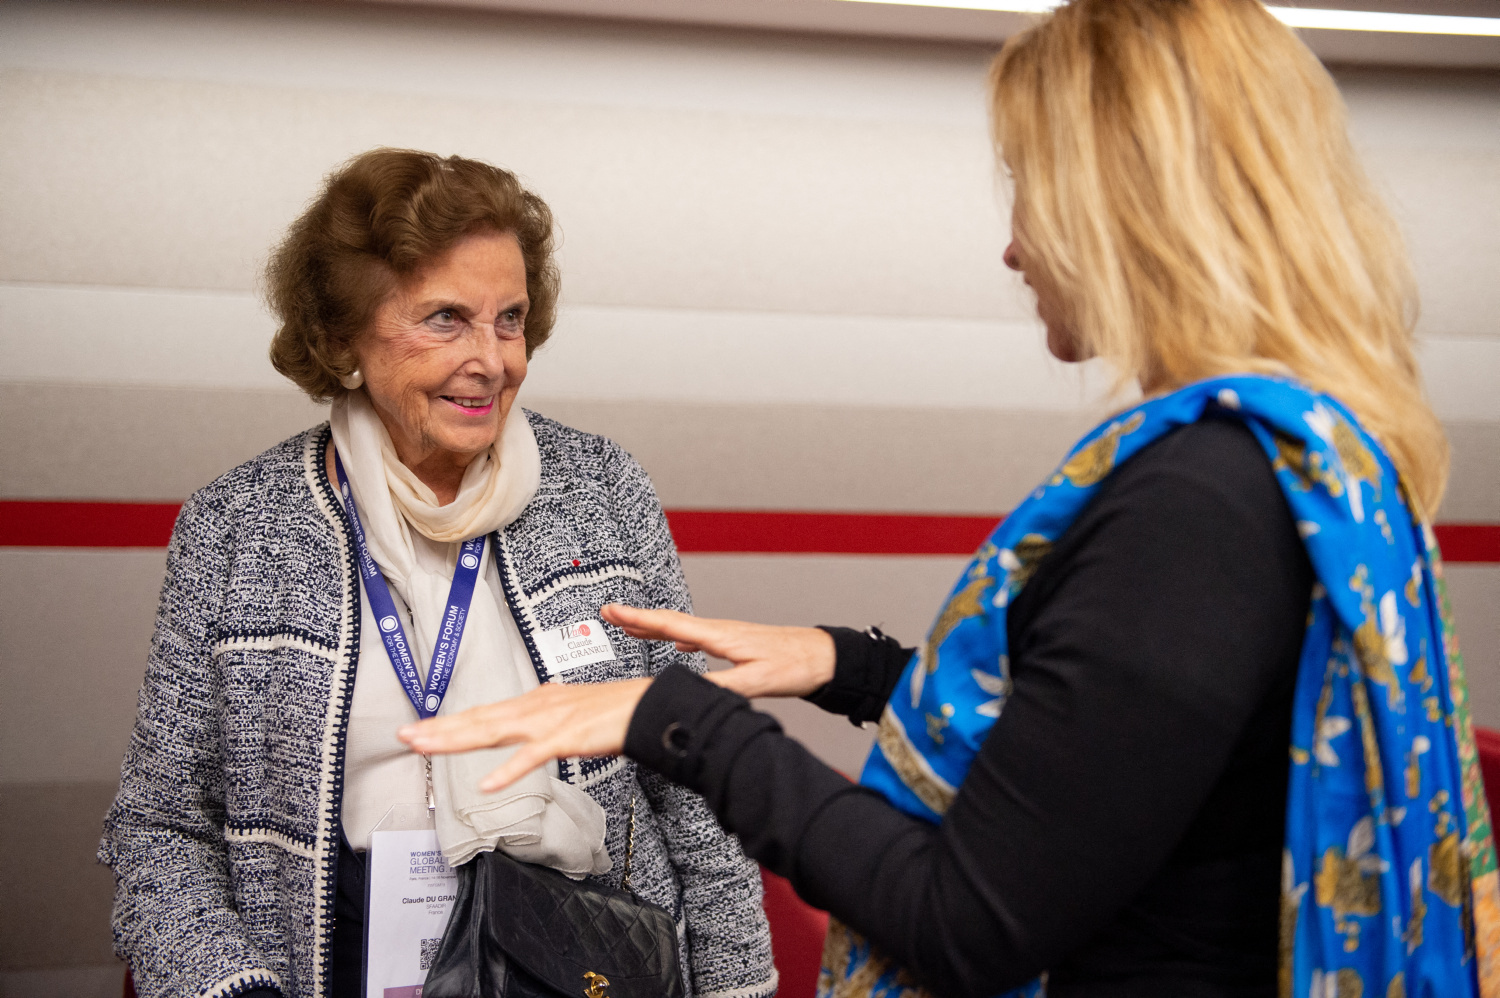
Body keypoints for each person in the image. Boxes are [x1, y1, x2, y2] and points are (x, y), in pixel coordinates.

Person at [397, 3, 1500, 997]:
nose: (1014, 244)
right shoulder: (1301, 460)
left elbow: (966, 919)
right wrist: (852, 665)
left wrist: (676, 721)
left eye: (1028, 185)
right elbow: (1111, 764)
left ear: (1125, 208)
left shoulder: (1199, 505)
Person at [98, 149, 776, 998]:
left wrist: (738, 988)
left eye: (510, 319)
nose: (492, 360)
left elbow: (696, 782)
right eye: (446, 318)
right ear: (343, 334)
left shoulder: (602, 490)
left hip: (589, 963)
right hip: (335, 968)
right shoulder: (237, 526)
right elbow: (159, 829)